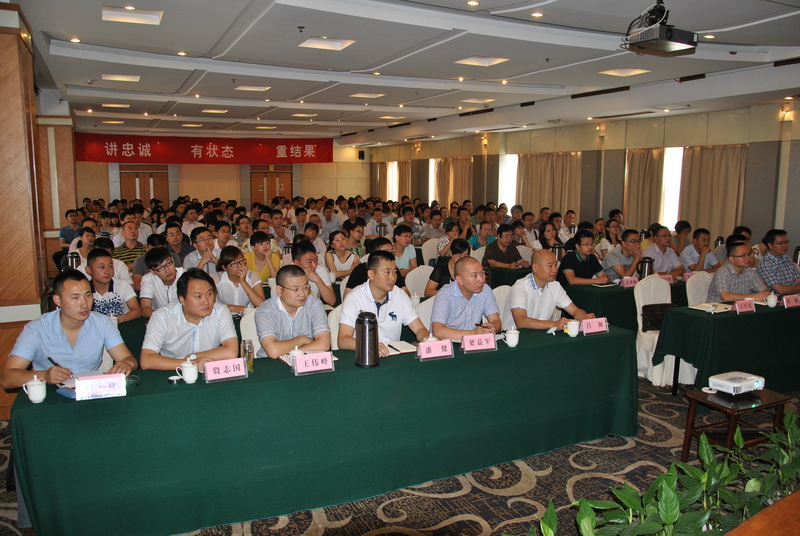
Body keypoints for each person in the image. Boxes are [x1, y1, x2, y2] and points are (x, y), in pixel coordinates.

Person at [0, 270, 137, 390]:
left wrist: (127, 364)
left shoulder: (102, 323)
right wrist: (44, 375)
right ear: (58, 300)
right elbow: (6, 378)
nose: (84, 304)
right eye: (75, 298)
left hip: (90, 392)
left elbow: (128, 359)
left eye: (88, 295)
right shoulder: (36, 329)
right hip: (50, 394)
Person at [140, 269, 238, 371]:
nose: (206, 302)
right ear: (182, 299)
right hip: (174, 371)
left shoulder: (220, 312)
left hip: (208, 372)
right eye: (198, 296)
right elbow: (146, 360)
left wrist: (193, 357)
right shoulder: (162, 317)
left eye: (209, 294)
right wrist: (188, 364)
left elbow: (231, 351)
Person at [338, 250, 429, 356]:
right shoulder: (354, 298)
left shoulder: (400, 295)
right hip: (363, 355)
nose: (393, 278)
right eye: (387, 272)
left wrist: (427, 339)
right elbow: (343, 340)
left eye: (395, 272)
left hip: (392, 355)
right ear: (371, 274)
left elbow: (419, 329)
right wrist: (370, 345)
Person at [255, 265, 331, 359]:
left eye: (305, 287)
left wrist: (293, 352)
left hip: (304, 360)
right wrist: (302, 339)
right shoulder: (265, 311)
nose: (302, 294)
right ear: (279, 290)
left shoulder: (314, 305)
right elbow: (273, 351)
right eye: (295, 289)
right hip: (270, 363)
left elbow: (324, 345)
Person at [509, 250, 595, 330]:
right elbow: (521, 322)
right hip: (517, 336)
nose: (555, 270)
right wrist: (554, 324)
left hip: (542, 335)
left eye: (556, 265)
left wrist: (584, 316)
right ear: (535, 268)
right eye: (550, 266)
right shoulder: (520, 288)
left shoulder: (555, 286)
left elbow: (575, 310)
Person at [431, 257, 501, 340]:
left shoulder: (485, 290)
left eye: (482, 273)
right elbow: (438, 331)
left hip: (472, 342)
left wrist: (492, 328)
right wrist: (473, 333)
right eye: (474, 275)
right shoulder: (446, 294)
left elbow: (495, 320)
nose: (481, 279)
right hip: (448, 343)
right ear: (460, 280)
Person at [84, 248, 141, 323]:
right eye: (101, 267)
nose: (107, 271)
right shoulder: (84, 290)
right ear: (89, 270)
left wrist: (116, 320)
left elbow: (137, 311)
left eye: (110, 266)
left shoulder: (122, 285)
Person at [344, 237, 409, 298]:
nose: (391, 254)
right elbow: (347, 296)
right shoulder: (360, 269)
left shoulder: (393, 270)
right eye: (387, 252)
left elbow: (406, 293)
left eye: (392, 251)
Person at [213, 246, 266, 313]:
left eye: (241, 261)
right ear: (224, 268)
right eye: (233, 264)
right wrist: (233, 308)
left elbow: (262, 305)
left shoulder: (253, 276)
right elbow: (211, 306)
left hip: (248, 315)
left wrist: (243, 282)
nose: (240, 266)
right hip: (224, 315)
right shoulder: (216, 279)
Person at [139, 247, 186, 318]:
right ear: (152, 271)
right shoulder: (147, 280)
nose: (167, 270)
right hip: (160, 319)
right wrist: (166, 317)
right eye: (160, 268)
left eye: (169, 263)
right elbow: (145, 310)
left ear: (173, 260)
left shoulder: (186, 276)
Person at [757, 229, 800, 295]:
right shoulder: (765, 264)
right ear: (770, 245)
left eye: (786, 242)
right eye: (780, 243)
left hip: (794, 297)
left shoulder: (787, 259)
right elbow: (780, 290)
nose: (785, 246)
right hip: (777, 299)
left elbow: (798, 280)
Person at [292, 241, 336, 306]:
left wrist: (318, 280)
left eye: (316, 260)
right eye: (309, 262)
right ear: (296, 263)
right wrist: (304, 281)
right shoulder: (287, 274)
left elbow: (331, 301)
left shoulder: (320, 270)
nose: (314, 265)